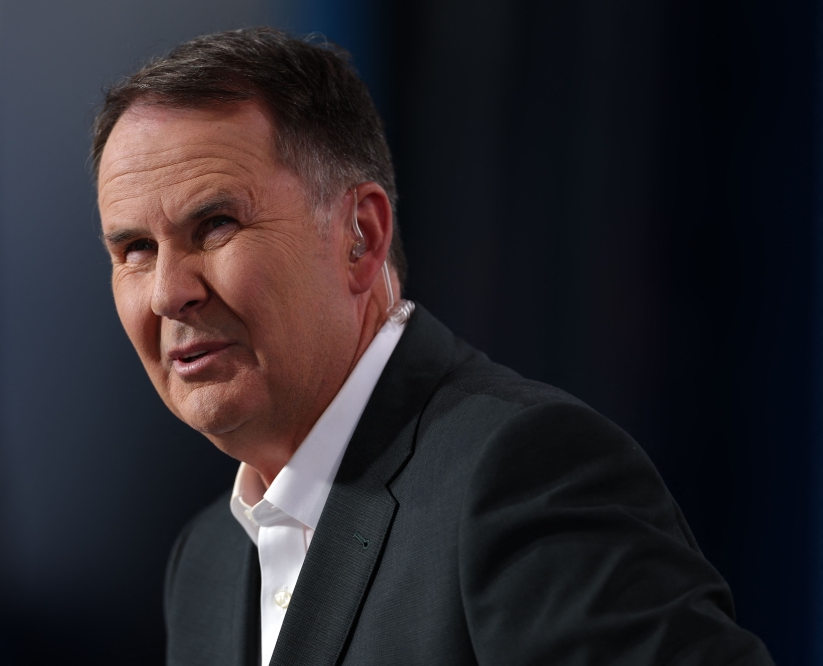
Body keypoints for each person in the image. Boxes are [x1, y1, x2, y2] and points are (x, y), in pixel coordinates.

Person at [91, 27, 774, 666]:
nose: (167, 292)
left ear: (360, 236)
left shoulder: (524, 475)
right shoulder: (206, 561)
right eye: (135, 250)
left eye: (214, 225)